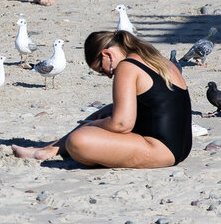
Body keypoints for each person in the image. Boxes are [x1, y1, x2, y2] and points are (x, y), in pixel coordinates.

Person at [12, 31, 192, 168]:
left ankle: (51, 149)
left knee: (78, 141)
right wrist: (101, 118)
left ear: (106, 54)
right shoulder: (154, 59)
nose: (107, 75)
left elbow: (122, 124)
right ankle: (50, 149)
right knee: (107, 110)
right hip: (182, 146)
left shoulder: (126, 66)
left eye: (102, 70)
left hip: (160, 150)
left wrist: (91, 124)